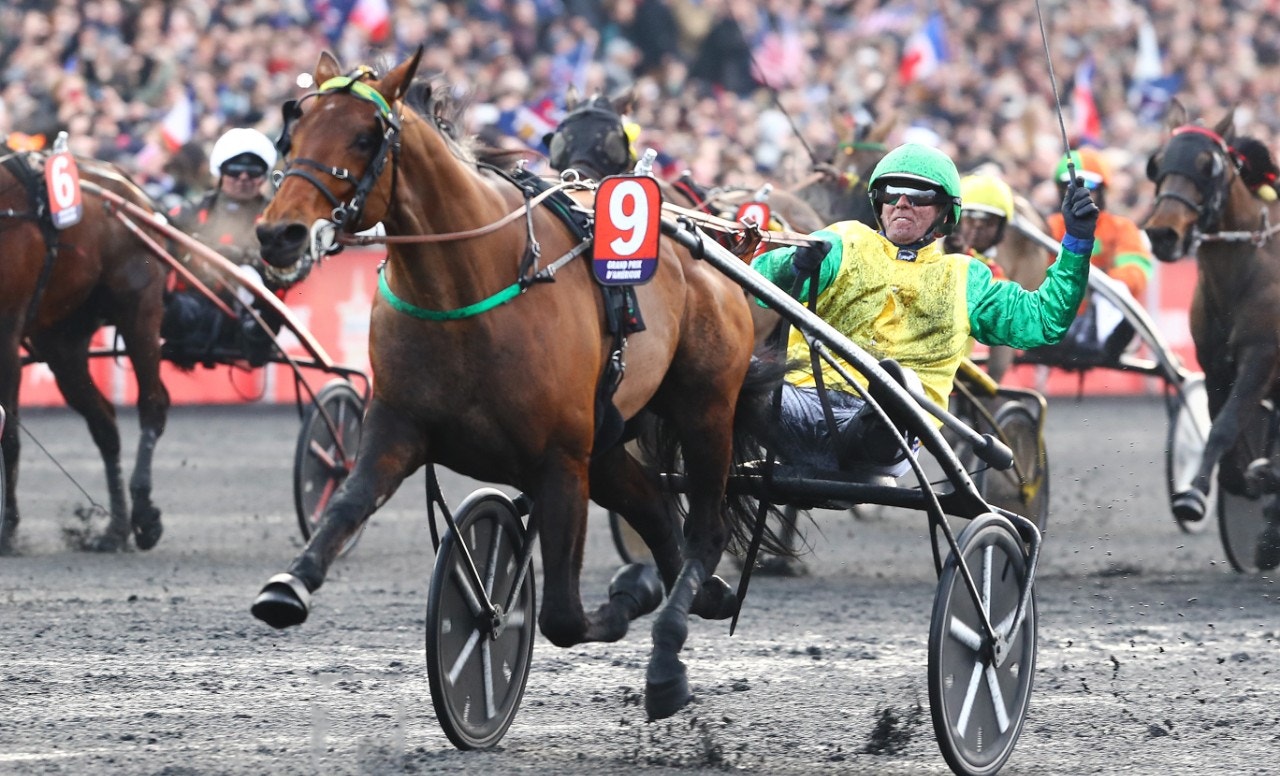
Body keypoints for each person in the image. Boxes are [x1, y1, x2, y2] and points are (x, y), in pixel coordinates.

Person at [750, 142, 1098, 473]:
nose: (902, 203)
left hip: (886, 430)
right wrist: (791, 265)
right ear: (878, 203)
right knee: (733, 372)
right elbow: (758, 283)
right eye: (891, 193)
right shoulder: (842, 241)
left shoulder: (965, 277)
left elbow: (1044, 320)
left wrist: (1077, 242)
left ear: (945, 211)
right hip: (800, 408)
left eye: (918, 195)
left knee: (894, 383)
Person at [162, 127, 280, 366]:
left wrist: (240, 257)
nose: (243, 178)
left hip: (248, 311)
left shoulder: (275, 217)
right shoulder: (193, 210)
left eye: (253, 170)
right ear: (221, 173)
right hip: (195, 301)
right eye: (235, 170)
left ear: (263, 176)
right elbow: (163, 227)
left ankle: (249, 332)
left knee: (247, 275)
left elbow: (285, 261)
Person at [1037, 148, 1155, 365]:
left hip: (1104, 322)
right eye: (1069, 187)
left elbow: (1136, 271)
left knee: (1118, 288)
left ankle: (1095, 342)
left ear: (1103, 190)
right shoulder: (1049, 228)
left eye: (1088, 186)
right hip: (1058, 317)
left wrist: (1097, 280)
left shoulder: (1121, 228)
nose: (1079, 193)